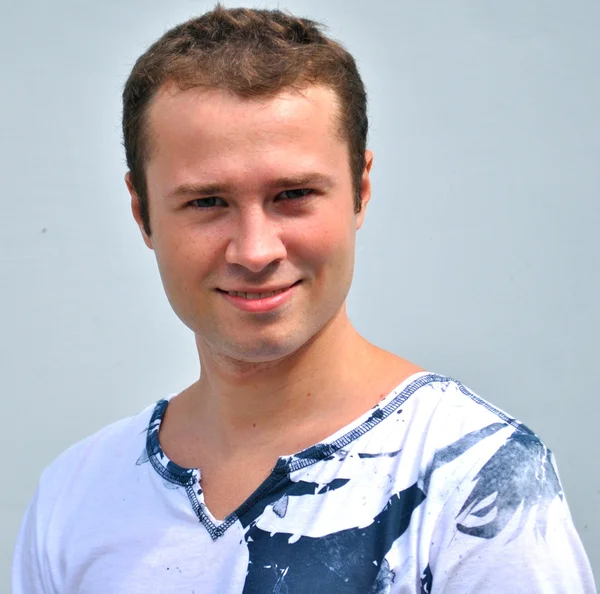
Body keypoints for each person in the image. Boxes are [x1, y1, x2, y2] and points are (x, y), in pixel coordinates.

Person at [12, 5, 596, 593]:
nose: (256, 250)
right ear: (142, 213)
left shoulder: (474, 479)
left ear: (359, 191)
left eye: (293, 194)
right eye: (206, 202)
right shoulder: (78, 495)